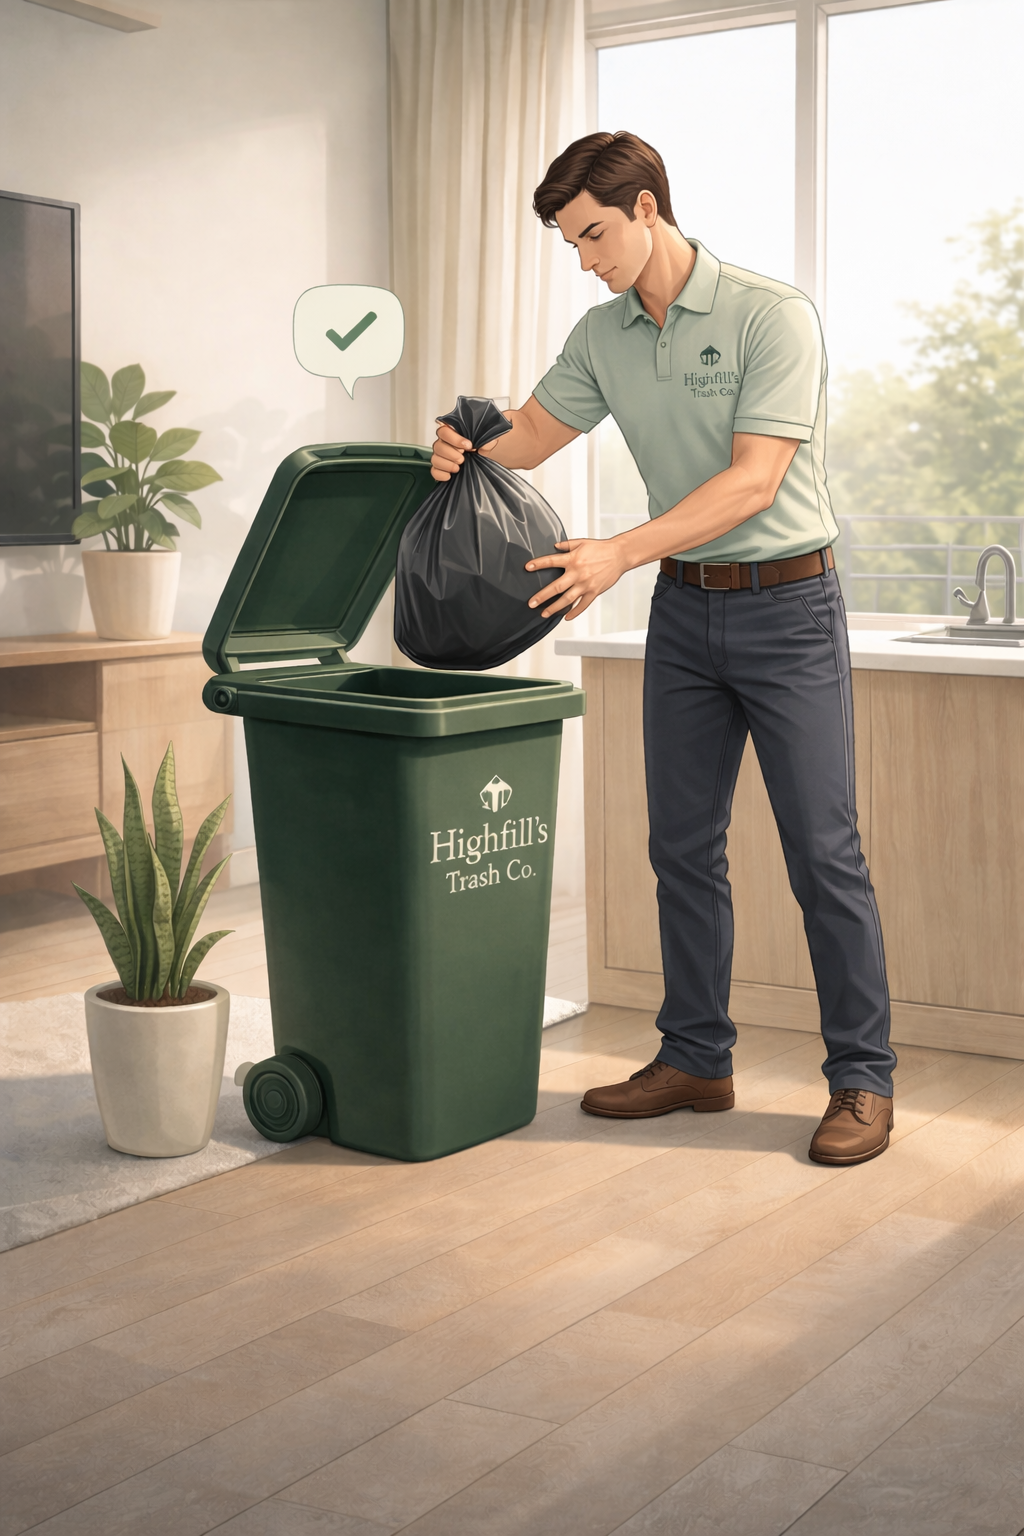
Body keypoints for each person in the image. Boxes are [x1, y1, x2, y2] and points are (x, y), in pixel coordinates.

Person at [430, 131, 896, 1166]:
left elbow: (754, 481)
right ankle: (695, 1059)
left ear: (647, 208)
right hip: (684, 614)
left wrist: (618, 552)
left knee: (823, 852)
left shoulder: (770, 315)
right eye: (570, 243)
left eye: (594, 234)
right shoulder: (603, 335)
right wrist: (466, 440)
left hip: (788, 608)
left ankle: (862, 1078)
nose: (585, 259)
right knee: (680, 848)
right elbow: (531, 434)